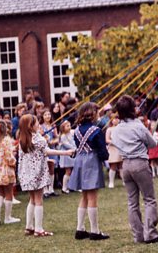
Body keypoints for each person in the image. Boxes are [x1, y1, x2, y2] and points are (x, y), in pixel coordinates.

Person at [111, 95, 158, 244]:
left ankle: (138, 236)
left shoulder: (116, 129)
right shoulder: (138, 125)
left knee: (132, 202)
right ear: (133, 109)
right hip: (140, 163)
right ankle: (150, 233)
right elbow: (152, 144)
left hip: (125, 166)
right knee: (149, 199)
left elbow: (116, 143)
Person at [18, 114, 73, 237]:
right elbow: (47, 151)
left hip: (26, 174)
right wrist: (65, 152)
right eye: (37, 122)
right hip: (37, 174)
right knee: (38, 200)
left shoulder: (22, 139)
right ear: (30, 126)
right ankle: (38, 229)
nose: (39, 124)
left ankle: (29, 227)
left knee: (32, 200)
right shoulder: (38, 139)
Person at [68, 103, 110, 241]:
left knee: (84, 196)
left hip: (80, 161)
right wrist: (104, 157)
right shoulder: (96, 131)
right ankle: (95, 231)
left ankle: (80, 229)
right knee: (92, 197)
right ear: (92, 113)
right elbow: (103, 152)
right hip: (91, 161)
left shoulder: (77, 130)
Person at [0, 120, 19, 224]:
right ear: (4, 129)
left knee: (0, 193)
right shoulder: (6, 140)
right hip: (6, 171)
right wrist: (14, 161)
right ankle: (8, 218)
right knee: (9, 194)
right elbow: (8, 157)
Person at [40, 108, 59, 198]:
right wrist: (46, 140)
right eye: (45, 115)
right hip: (44, 150)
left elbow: (57, 137)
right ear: (42, 117)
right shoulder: (40, 126)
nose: (48, 116)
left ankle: (51, 189)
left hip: (52, 149)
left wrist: (53, 141)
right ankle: (45, 190)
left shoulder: (53, 126)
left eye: (49, 114)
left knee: (52, 169)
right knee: (45, 169)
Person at [106, 114, 123, 188]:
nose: (115, 120)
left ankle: (124, 181)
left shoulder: (121, 128)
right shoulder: (109, 129)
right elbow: (107, 140)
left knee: (121, 165)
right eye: (113, 119)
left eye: (117, 118)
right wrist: (113, 142)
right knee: (113, 165)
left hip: (120, 148)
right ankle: (111, 182)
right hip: (113, 149)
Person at [59, 120, 76, 194]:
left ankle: (71, 186)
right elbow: (66, 145)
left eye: (69, 125)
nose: (69, 127)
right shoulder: (63, 136)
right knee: (68, 171)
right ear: (63, 128)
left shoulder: (71, 134)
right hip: (66, 155)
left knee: (72, 171)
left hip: (72, 154)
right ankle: (64, 188)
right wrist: (74, 148)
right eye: (67, 126)